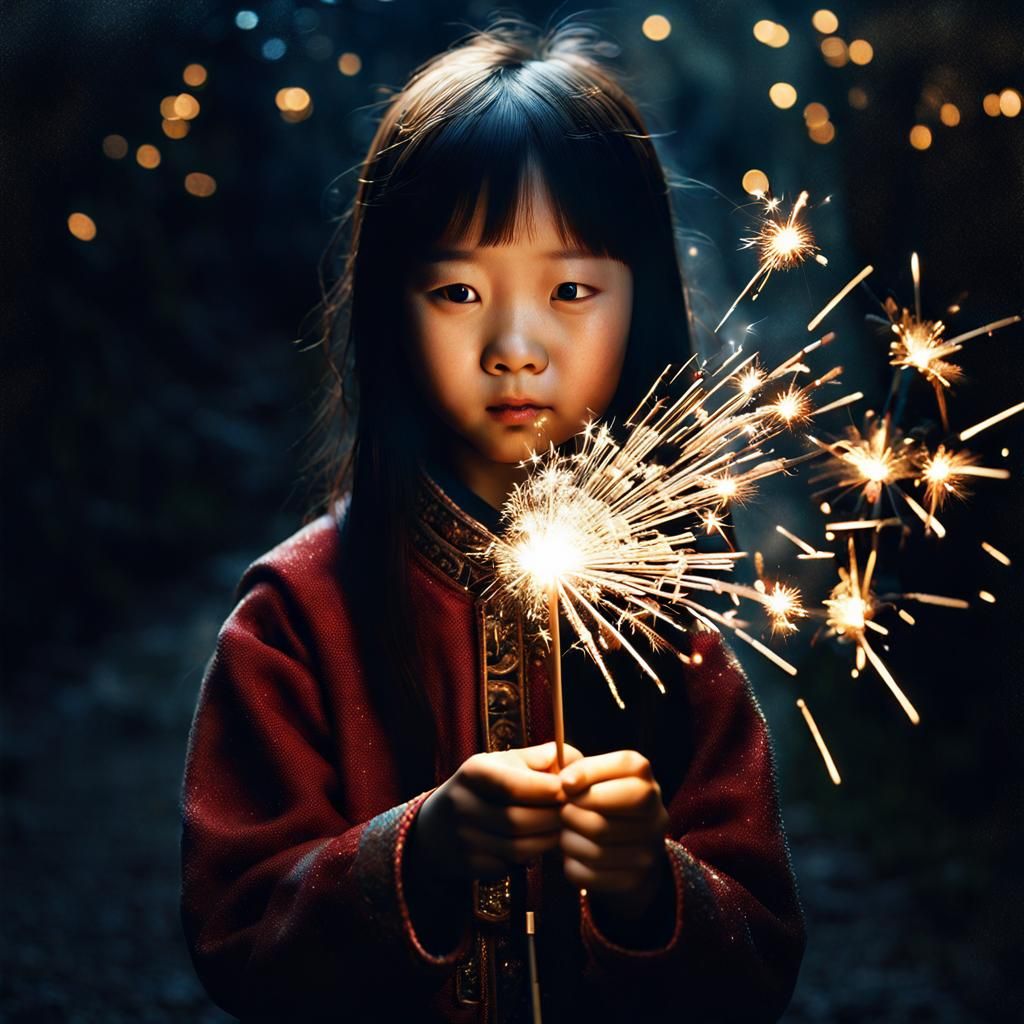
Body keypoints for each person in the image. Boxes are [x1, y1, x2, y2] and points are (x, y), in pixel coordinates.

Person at [179, 15, 806, 1023]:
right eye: (461, 289)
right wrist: (414, 856)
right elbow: (233, 932)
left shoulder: (672, 612)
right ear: (391, 308)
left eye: (569, 289)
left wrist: (652, 883)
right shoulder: (294, 614)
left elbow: (763, 952)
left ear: (637, 306)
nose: (515, 344)